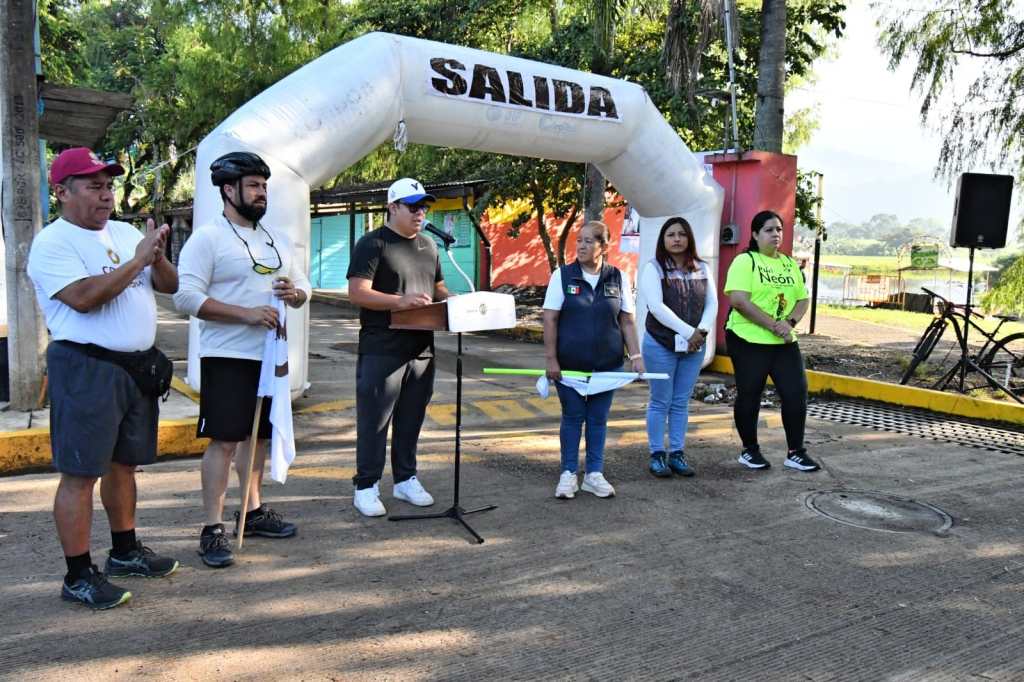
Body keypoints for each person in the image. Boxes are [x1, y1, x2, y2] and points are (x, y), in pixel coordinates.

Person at [27, 147, 180, 609]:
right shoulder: (53, 243)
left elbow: (170, 287)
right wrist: (136, 261)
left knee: (123, 465)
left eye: (109, 185)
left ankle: (126, 551)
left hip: (134, 369)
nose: (106, 194)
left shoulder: (126, 231)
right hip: (86, 366)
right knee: (80, 474)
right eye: (94, 185)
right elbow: (85, 298)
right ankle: (78, 575)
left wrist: (157, 255)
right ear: (62, 192)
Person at [174, 151, 311, 568]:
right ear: (228, 190)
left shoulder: (275, 239)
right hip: (226, 355)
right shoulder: (208, 238)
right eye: (253, 185)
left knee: (258, 438)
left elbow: (304, 287)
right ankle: (213, 528)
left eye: (264, 186)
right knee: (225, 440)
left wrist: (296, 294)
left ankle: (252, 511)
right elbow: (185, 298)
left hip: (268, 356)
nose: (261, 193)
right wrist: (246, 315)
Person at [346, 178, 449, 517]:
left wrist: (462, 302)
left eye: (424, 207)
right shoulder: (372, 244)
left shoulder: (429, 246)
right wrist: (399, 302)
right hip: (382, 348)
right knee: (375, 421)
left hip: (422, 349)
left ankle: (405, 479)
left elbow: (438, 290)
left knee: (411, 419)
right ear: (393, 207)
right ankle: (366, 486)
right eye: (413, 206)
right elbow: (358, 292)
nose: (421, 213)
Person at [543, 220, 644, 499]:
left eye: (589, 241)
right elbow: (550, 319)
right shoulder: (562, 276)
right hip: (569, 366)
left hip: (607, 365)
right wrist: (551, 359)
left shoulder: (618, 278)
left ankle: (594, 474)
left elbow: (627, 321)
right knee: (573, 417)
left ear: (604, 246)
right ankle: (568, 474)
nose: (582, 246)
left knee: (598, 418)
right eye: (579, 240)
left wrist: (636, 356)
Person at [723, 210, 819, 472]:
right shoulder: (746, 262)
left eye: (779, 229)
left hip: (784, 340)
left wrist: (789, 324)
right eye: (768, 230)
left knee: (796, 393)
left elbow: (802, 299)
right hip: (747, 338)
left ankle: (796, 452)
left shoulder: (789, 264)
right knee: (750, 394)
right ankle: (750, 450)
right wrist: (772, 325)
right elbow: (739, 301)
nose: (775, 234)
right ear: (755, 234)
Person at [639, 217, 718, 478]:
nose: (676, 239)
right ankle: (656, 454)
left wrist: (702, 331)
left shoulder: (702, 268)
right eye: (670, 234)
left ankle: (677, 453)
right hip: (660, 343)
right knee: (660, 400)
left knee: (681, 401)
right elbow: (657, 307)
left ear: (689, 239)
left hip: (693, 346)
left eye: (681, 234)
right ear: (663, 239)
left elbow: (712, 304)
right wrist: (690, 332)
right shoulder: (654, 268)